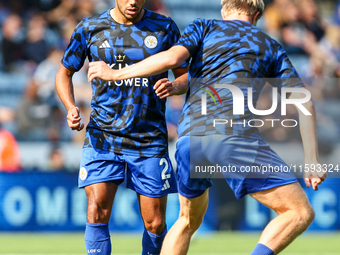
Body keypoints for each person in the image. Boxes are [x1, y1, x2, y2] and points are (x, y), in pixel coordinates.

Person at [87, 0, 328, 254]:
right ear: (257, 15)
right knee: (299, 211)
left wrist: (115, 74)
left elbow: (171, 59)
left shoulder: (204, 27)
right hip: (232, 136)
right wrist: (311, 159)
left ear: (224, 10)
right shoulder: (268, 45)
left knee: (187, 220)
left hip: (191, 139)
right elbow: (304, 102)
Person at [55, 0, 188, 255]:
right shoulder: (90, 27)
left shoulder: (164, 28)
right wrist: (71, 107)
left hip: (149, 139)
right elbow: (64, 73)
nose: (133, 2)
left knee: (156, 222)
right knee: (96, 211)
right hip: (102, 137)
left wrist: (175, 85)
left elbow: (186, 75)